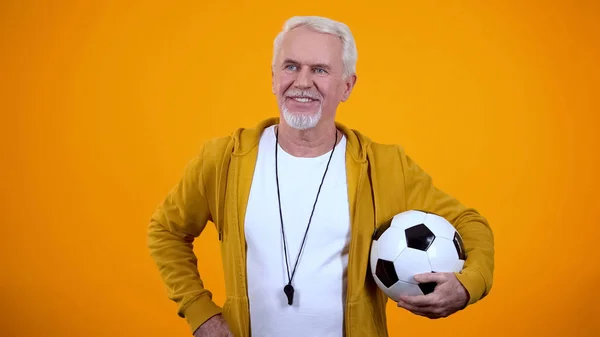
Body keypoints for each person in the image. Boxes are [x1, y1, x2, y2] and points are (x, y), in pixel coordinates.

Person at [147, 15, 494, 337]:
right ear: (273, 77)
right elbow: (166, 231)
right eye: (291, 66)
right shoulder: (224, 159)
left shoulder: (386, 166)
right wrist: (199, 311)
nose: (302, 82)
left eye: (320, 70)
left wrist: (467, 286)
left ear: (346, 86)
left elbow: (469, 222)